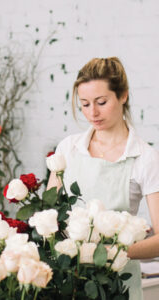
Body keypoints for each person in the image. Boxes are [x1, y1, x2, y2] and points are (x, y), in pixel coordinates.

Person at [47, 57, 159, 300]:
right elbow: (49, 217)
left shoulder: (145, 158)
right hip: (69, 281)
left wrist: (116, 252)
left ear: (123, 96)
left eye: (101, 102)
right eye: (84, 104)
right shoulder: (68, 148)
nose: (92, 113)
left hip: (120, 283)